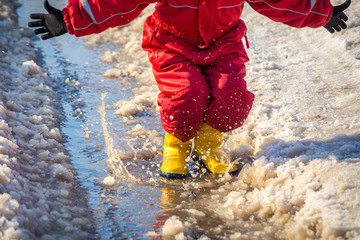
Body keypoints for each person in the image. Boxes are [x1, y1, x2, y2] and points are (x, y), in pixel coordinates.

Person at [28, 0, 351, 179]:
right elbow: (118, 2)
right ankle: (177, 147)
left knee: (233, 98)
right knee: (186, 97)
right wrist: (72, 18)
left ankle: (208, 145)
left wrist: (320, 13)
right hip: (171, 43)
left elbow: (280, 0)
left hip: (224, 42)